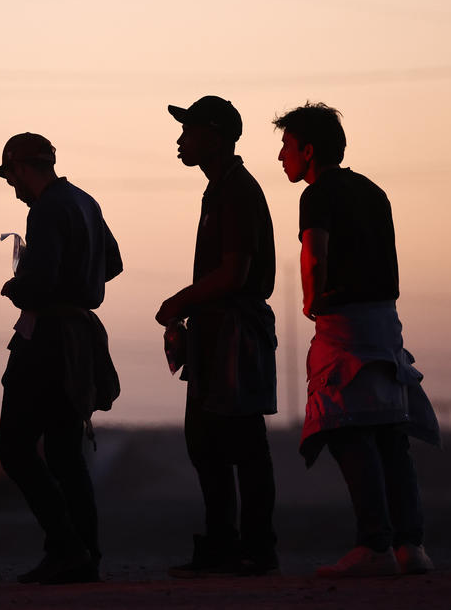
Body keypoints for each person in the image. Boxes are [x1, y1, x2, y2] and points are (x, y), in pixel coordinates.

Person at [273, 102, 440, 578]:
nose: (281, 157)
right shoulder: (373, 191)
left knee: (347, 428)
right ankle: (411, 546)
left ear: (307, 151)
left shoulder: (318, 193)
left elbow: (314, 251)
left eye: (286, 147)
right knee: (389, 434)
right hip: (385, 324)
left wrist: (312, 298)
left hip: (345, 325)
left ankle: (374, 545)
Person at [0, 132, 122, 585]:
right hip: (79, 340)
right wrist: (79, 275)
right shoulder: (85, 202)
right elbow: (114, 263)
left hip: (46, 339)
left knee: (14, 447)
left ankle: (65, 547)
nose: (13, 188)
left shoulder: (45, 210)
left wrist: (15, 287)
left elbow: (39, 284)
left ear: (24, 168)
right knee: (66, 454)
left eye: (12, 177)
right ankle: (87, 555)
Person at [157, 95, 280, 577]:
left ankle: (254, 548)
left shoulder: (237, 192)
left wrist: (179, 302)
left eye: (188, 130)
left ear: (214, 134)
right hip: (217, 331)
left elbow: (234, 273)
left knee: (242, 443)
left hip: (235, 332)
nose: (180, 140)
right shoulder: (221, 189)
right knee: (207, 443)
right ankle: (225, 546)